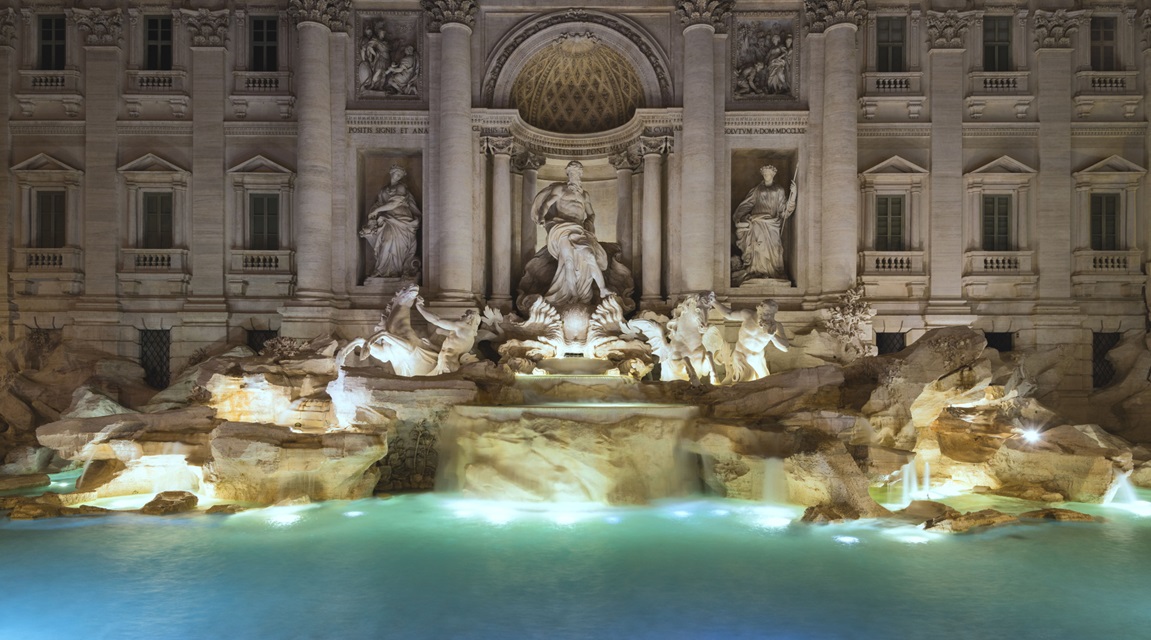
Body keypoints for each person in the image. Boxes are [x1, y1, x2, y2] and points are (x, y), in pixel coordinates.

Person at [529, 160, 609, 307]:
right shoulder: (560, 189)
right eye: (572, 172)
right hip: (561, 228)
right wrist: (541, 217)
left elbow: (591, 214)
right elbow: (546, 204)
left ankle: (603, 289)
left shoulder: (585, 195)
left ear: (581, 174)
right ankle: (572, 296)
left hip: (579, 230)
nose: (575, 175)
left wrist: (589, 223)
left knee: (590, 256)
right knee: (569, 262)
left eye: (578, 172)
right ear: (567, 173)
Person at [733, 164, 797, 282]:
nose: (767, 176)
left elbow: (784, 211)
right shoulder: (757, 189)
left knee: (775, 248)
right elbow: (747, 203)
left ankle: (773, 273)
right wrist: (738, 216)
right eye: (765, 174)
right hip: (757, 221)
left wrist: (793, 195)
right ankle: (757, 272)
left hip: (772, 223)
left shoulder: (779, 190)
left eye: (769, 174)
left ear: (773, 175)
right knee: (758, 247)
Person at [360, 164, 420, 278]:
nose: (398, 177)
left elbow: (394, 203)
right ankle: (381, 270)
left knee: (397, 246)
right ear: (391, 173)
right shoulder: (383, 190)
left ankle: (396, 271)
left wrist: (377, 210)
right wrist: (373, 213)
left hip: (402, 220)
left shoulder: (401, 187)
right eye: (397, 174)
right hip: (387, 220)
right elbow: (378, 203)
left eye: (400, 175)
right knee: (386, 242)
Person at [711, 297, 789, 383]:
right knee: (742, 384)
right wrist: (713, 302)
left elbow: (785, 348)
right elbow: (728, 314)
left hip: (757, 359)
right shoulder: (748, 315)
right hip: (740, 356)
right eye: (766, 313)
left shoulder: (776, 326)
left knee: (765, 384)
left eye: (771, 314)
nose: (769, 317)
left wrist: (771, 335)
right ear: (759, 309)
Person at [414, 296, 480, 375]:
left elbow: (436, 320)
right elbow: (450, 350)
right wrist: (431, 345)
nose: (461, 317)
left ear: (470, 318)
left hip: (447, 366)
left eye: (465, 315)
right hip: (444, 365)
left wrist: (420, 307)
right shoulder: (469, 337)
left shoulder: (463, 326)